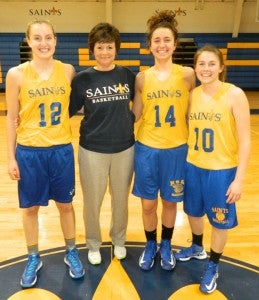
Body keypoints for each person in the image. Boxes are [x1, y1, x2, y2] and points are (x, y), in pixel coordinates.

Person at [6, 20, 85, 288]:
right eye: (37, 38)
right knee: (30, 209)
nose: (43, 43)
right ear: (28, 41)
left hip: (61, 149)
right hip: (29, 151)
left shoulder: (68, 70)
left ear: (56, 39)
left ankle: (71, 251)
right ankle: (33, 256)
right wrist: (10, 157)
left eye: (48, 37)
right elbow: (11, 118)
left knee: (66, 205)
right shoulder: (16, 74)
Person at [175, 44, 251, 293]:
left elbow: (246, 140)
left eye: (211, 64)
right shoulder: (193, 95)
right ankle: (197, 246)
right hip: (193, 166)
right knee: (193, 212)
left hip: (221, 170)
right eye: (201, 64)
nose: (205, 69)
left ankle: (213, 264)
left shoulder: (234, 94)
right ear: (195, 67)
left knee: (219, 221)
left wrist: (239, 180)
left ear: (220, 67)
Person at [132, 10, 195, 271]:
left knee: (170, 202)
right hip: (146, 148)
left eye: (166, 40)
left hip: (176, 149)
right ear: (149, 45)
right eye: (156, 40)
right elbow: (135, 115)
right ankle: (150, 244)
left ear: (175, 44)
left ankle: (166, 243)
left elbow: (196, 111)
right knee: (148, 204)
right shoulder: (141, 78)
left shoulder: (188, 74)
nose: (162, 45)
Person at [69, 23, 135, 265]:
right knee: (92, 201)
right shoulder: (83, 79)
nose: (105, 51)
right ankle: (93, 244)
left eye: (110, 46)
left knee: (121, 199)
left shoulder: (127, 76)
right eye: (100, 46)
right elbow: (65, 110)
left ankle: (119, 239)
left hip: (125, 149)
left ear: (116, 49)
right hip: (91, 150)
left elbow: (139, 107)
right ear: (92, 49)